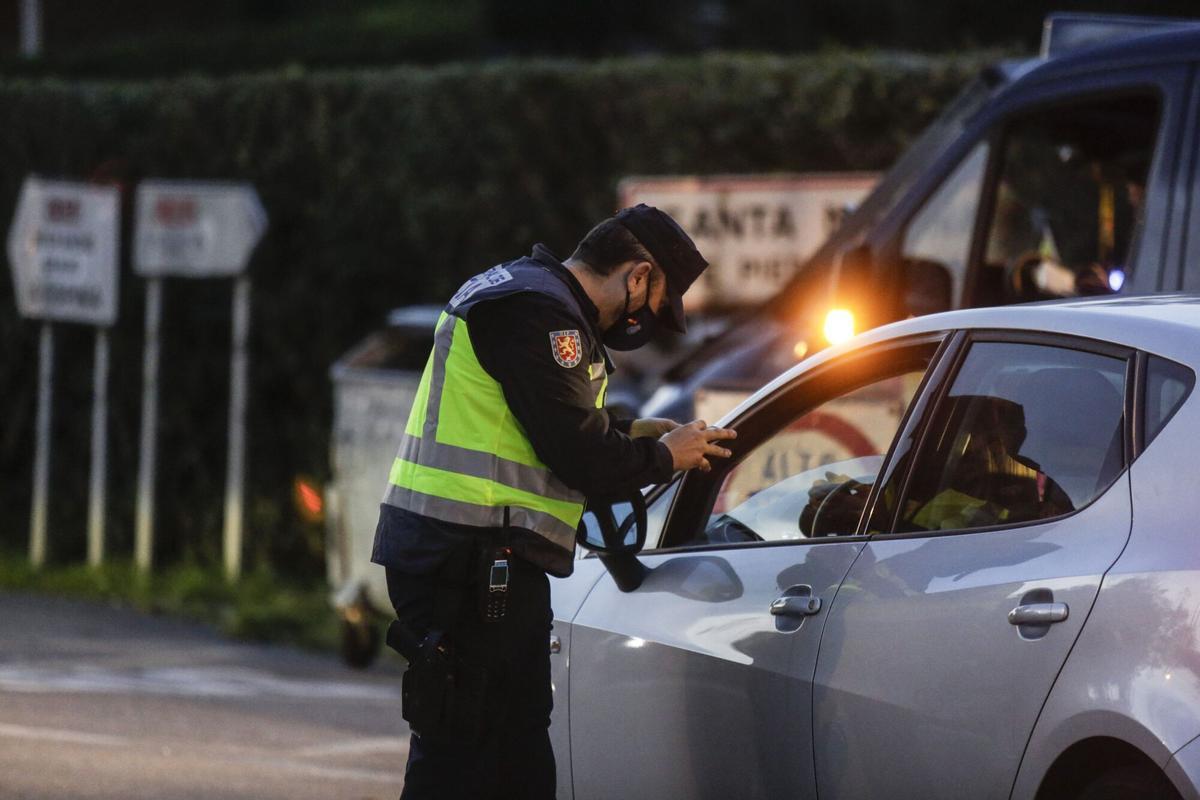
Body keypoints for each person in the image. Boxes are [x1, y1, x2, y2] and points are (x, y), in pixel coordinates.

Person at [371, 204, 737, 799]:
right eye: (653, 301)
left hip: (475, 555)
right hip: (468, 558)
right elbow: (577, 452)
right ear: (637, 274)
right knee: (467, 756)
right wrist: (664, 458)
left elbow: (541, 423)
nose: (643, 318)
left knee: (510, 751)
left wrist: (636, 434)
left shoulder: (523, 294)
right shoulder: (539, 312)